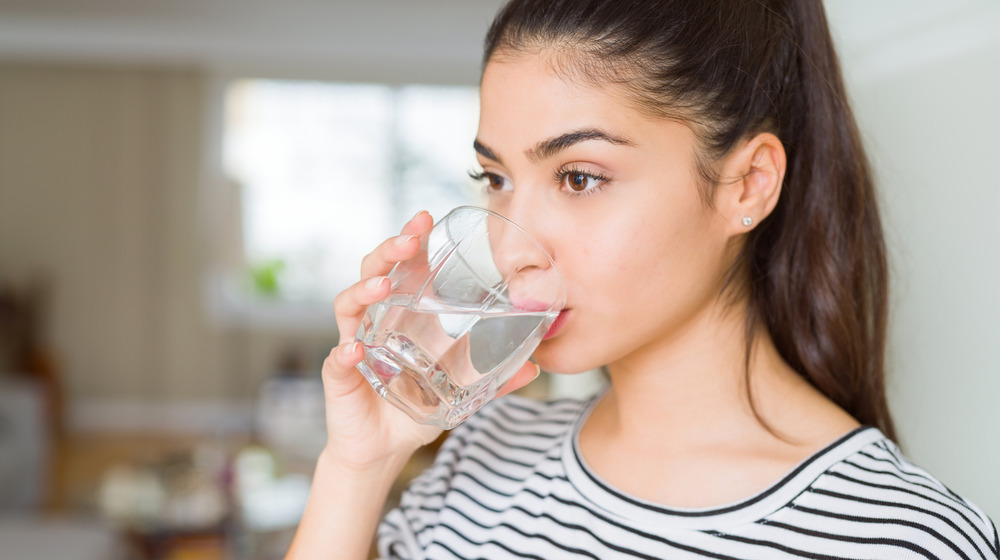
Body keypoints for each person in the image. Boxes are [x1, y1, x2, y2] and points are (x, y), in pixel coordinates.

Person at [287, 0, 1000, 558]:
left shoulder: (900, 540)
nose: (511, 253)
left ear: (747, 184)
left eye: (579, 177)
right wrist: (359, 466)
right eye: (496, 178)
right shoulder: (485, 454)